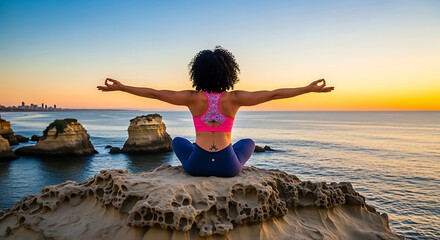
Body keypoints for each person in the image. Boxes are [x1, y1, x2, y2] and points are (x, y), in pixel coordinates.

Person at [97, 46, 334, 177]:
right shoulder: (234, 98)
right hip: (228, 167)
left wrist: (122, 87)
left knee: (178, 141)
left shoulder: (192, 98)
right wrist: (307, 89)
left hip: (196, 166)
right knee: (249, 142)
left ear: (197, 73)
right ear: (228, 72)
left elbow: (155, 93)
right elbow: (274, 94)